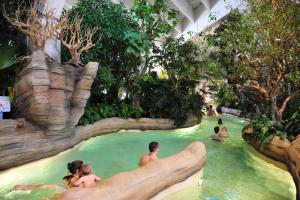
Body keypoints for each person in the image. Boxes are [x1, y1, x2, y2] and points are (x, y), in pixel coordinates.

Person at [12, 160, 83, 192]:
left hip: (59, 186)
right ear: (77, 171)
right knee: (41, 187)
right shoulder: (75, 180)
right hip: (62, 190)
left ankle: (21, 187)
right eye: (82, 167)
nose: (83, 168)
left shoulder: (69, 175)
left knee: (40, 186)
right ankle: (21, 188)